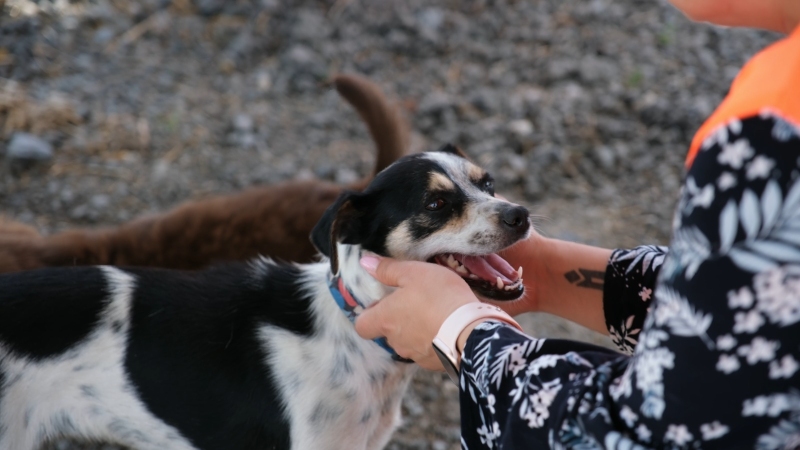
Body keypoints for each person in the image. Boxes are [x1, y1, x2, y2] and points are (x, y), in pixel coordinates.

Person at [354, 0, 800, 448]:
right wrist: (546, 273)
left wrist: (463, 336)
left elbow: (660, 434)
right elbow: (748, 312)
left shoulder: (771, 132)